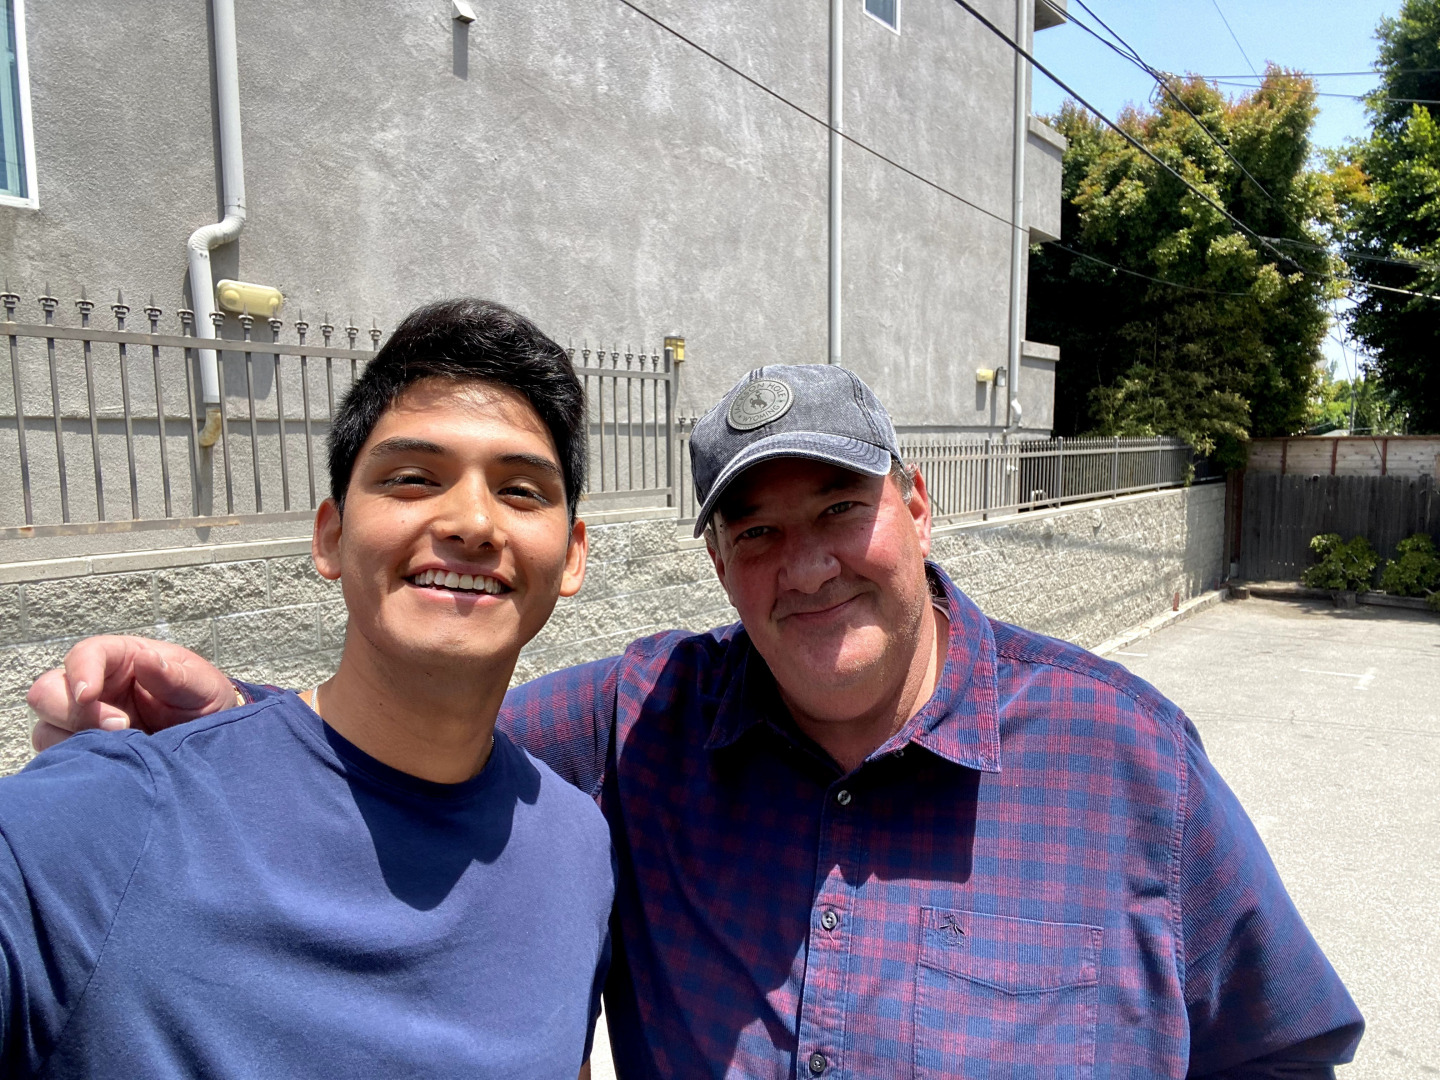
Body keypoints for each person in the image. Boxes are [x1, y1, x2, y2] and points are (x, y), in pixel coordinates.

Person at [31, 362, 1363, 1078]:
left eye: (839, 511)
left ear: (917, 507)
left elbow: (1282, 1048)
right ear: (718, 562)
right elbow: (424, 740)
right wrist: (241, 718)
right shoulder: (644, 719)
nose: (807, 565)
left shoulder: (1124, 758)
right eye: (757, 531)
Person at [6, 299, 614, 1078]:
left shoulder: (576, 846)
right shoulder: (113, 822)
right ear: (330, 535)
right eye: (412, 478)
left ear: (571, 557)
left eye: (522, 491)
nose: (472, 522)